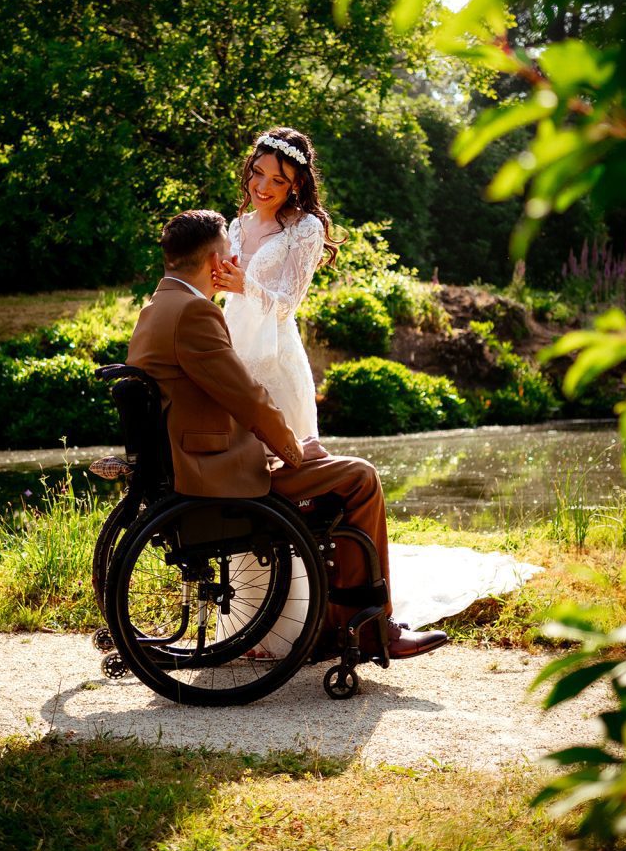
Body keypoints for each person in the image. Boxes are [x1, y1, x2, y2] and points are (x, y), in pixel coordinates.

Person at [126, 208, 448, 660]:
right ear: (215, 262)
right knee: (359, 478)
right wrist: (292, 449)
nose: (236, 255)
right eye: (229, 251)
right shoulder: (194, 314)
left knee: (332, 472)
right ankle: (374, 629)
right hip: (215, 478)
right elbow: (247, 398)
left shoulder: (156, 308)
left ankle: (339, 622)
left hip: (190, 463)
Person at [215, 128, 335, 440]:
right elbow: (227, 294)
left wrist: (245, 286)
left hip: (275, 360)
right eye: (257, 173)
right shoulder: (237, 226)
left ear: (296, 184)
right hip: (231, 355)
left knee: (285, 470)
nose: (263, 186)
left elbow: (285, 307)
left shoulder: (306, 228)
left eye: (278, 180)